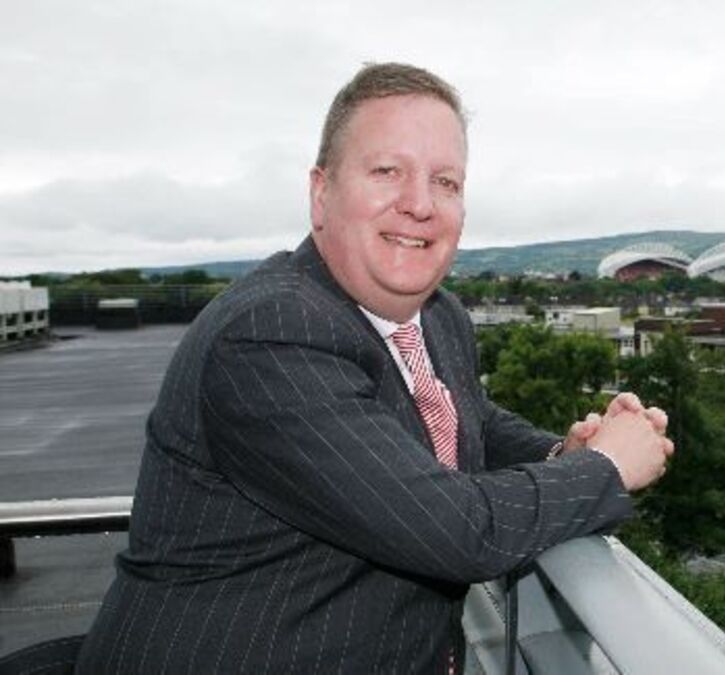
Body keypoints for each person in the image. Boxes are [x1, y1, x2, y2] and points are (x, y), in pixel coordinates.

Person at [76, 62, 673, 673]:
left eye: (445, 181)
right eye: (388, 171)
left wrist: (560, 453)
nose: (420, 204)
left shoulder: (437, 316)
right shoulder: (268, 334)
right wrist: (607, 466)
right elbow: (457, 532)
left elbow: (464, 418)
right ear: (321, 193)